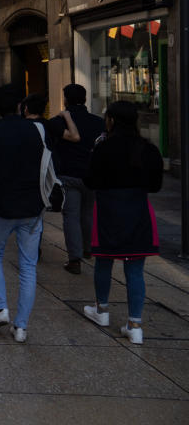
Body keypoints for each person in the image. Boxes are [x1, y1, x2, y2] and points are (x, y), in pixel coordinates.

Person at [0, 84, 48, 343]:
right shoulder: (37, 130)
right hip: (33, 207)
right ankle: (21, 326)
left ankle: (1, 308)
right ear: (20, 106)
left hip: (4, 206)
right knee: (28, 265)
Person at [81, 101, 163, 345]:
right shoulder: (148, 149)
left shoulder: (103, 147)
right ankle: (135, 324)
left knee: (104, 261)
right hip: (138, 209)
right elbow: (155, 185)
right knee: (135, 268)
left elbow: (90, 180)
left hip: (108, 208)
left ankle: (102, 309)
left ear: (112, 121)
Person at [46, 84, 105, 275]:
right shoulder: (98, 122)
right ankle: (88, 249)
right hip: (92, 175)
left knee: (70, 216)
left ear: (65, 99)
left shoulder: (58, 121)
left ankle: (74, 259)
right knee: (88, 213)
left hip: (68, 174)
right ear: (85, 99)